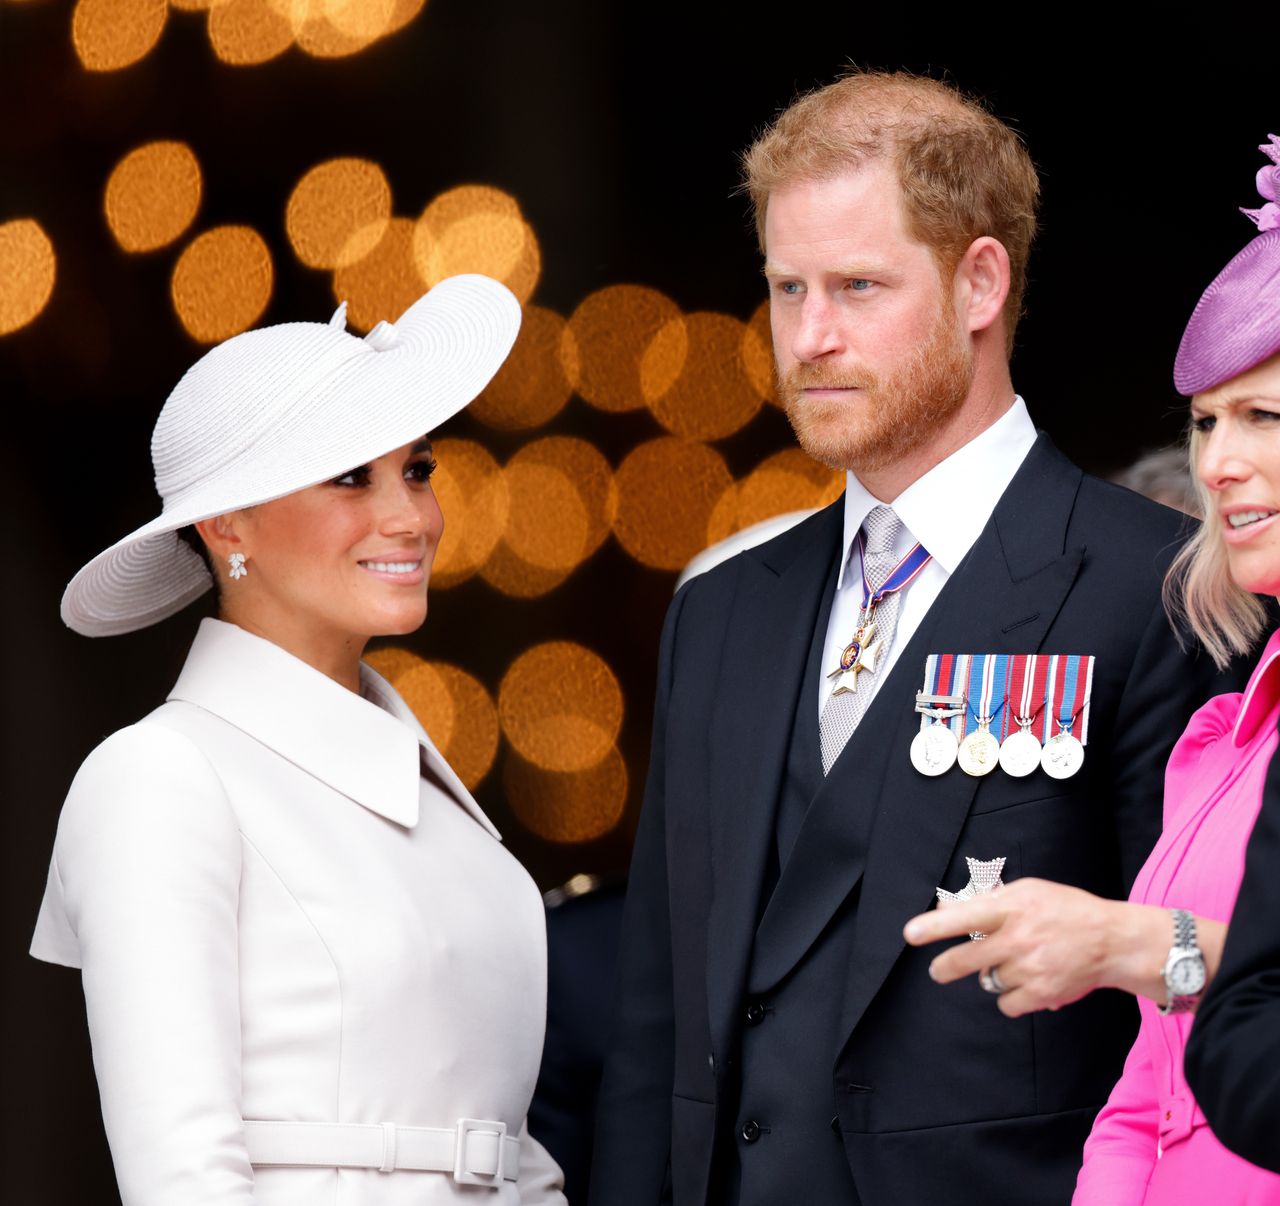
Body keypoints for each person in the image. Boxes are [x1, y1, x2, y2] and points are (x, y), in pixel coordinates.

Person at [588, 71, 1236, 1206]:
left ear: (978, 281)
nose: (809, 336)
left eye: (855, 285)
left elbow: (1194, 1001)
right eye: (786, 288)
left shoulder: (1154, 587)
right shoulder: (721, 609)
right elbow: (655, 1025)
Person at [30, 277, 567, 1205]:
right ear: (226, 523)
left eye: (418, 469)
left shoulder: (431, 789)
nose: (413, 517)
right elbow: (181, 1177)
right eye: (352, 475)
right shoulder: (159, 777)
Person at [904, 134, 1280, 1202]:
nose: (1214, 461)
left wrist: (1131, 940)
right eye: (1204, 421)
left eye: (1261, 416)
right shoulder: (1220, 739)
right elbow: (1142, 1093)